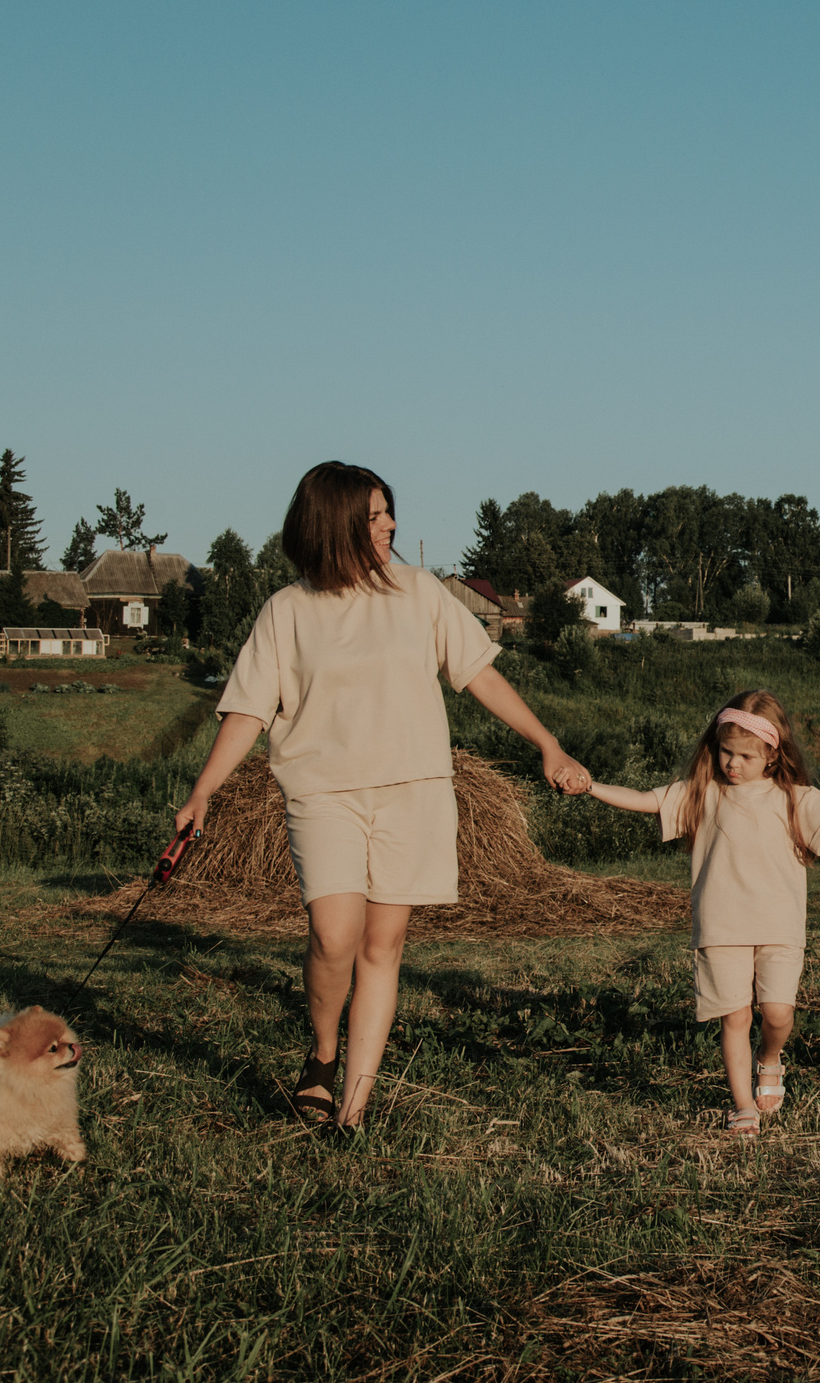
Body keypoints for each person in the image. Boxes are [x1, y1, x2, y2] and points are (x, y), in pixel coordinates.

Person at [172, 461, 591, 1132]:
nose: (390, 523)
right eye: (373, 515)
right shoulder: (287, 610)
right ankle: (322, 1054)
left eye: (388, 510)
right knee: (335, 935)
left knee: (384, 941)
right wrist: (201, 793)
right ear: (331, 523)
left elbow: (479, 675)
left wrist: (547, 742)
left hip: (414, 790)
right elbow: (247, 711)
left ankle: (354, 1109)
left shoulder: (420, 592)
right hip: (322, 790)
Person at [580, 691, 820, 1135]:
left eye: (745, 755)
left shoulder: (796, 799)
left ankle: (769, 1056)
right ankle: (742, 1104)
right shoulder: (703, 793)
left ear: (771, 754)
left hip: (780, 927)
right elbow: (645, 799)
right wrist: (590, 786)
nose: (732, 763)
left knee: (778, 1014)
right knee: (735, 1017)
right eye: (726, 751)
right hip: (721, 927)